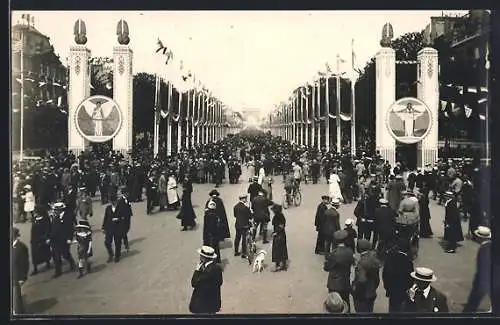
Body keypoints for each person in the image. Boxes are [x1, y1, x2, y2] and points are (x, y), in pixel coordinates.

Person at [324, 230, 355, 312]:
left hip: (334, 284)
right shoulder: (349, 251)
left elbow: (326, 267)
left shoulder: (334, 254)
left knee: (334, 305)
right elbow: (352, 262)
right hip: (345, 282)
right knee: (346, 303)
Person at [463, 226, 492, 312]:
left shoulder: (484, 249)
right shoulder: (489, 245)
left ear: (479, 238)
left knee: (474, 300)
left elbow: (484, 267)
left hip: (483, 280)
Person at [189, 246, 223, 314]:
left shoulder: (207, 272)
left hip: (203, 306)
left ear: (203, 257)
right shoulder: (217, 268)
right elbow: (220, 282)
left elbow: (194, 283)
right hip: (213, 304)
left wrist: (197, 271)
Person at [382, 240, 414, 312]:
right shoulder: (408, 262)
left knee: (392, 310)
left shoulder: (390, 258)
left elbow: (384, 275)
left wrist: (387, 287)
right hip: (403, 292)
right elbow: (411, 278)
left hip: (391, 291)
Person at [352, 239, 381, 313]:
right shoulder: (374, 260)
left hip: (362, 295)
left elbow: (361, 281)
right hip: (371, 291)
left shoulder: (362, 263)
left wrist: (354, 290)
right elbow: (377, 279)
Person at [50, 202, 77, 278]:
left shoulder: (67, 217)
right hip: (55, 240)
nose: (55, 211)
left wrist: (69, 238)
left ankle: (72, 264)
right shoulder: (55, 217)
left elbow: (70, 228)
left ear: (60, 210)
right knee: (56, 256)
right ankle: (58, 271)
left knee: (65, 254)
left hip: (64, 239)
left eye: (56, 210)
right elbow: (53, 228)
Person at [30, 205, 52, 275]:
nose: (35, 212)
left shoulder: (45, 219)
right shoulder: (34, 218)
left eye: (36, 211)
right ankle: (35, 268)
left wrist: (46, 237)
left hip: (42, 238)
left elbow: (48, 228)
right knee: (34, 253)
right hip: (34, 239)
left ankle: (47, 263)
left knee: (45, 251)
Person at [102, 194, 124, 263]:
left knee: (117, 242)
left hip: (118, 227)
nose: (113, 203)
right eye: (111, 201)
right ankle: (111, 254)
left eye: (114, 201)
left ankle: (117, 256)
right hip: (109, 227)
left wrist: (118, 219)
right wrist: (103, 227)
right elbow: (105, 218)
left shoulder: (120, 207)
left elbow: (124, 218)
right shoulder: (108, 208)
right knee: (107, 242)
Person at [12, 227, 29, 314]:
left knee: (16, 297)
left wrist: (23, 277)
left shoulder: (21, 247)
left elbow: (25, 264)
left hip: (17, 276)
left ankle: (19, 313)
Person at [233, 194, 252, 258]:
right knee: (244, 239)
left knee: (237, 238)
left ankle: (236, 251)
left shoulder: (235, 206)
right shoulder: (245, 207)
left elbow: (235, 215)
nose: (246, 200)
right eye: (245, 198)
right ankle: (244, 253)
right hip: (244, 225)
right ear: (243, 199)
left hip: (238, 224)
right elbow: (250, 216)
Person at [271, 204, 288, 272]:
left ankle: (278, 265)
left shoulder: (278, 217)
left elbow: (281, 226)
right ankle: (283, 264)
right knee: (282, 249)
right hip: (282, 235)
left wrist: (276, 232)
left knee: (277, 250)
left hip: (279, 235)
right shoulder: (281, 216)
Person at [118, 187, 133, 252]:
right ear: (124, 193)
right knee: (124, 231)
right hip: (123, 218)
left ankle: (121, 238)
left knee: (127, 228)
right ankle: (126, 244)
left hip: (128, 216)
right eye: (127, 193)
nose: (128, 194)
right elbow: (120, 209)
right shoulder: (120, 201)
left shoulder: (127, 199)